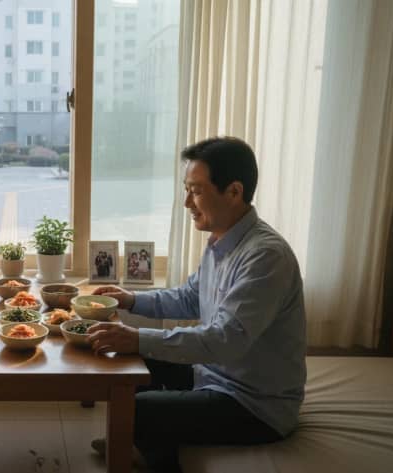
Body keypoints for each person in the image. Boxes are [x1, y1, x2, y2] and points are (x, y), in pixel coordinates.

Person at [87, 137, 306, 472]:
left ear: (234, 191)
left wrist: (137, 336)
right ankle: (141, 441)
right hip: (213, 376)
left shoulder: (265, 256)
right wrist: (130, 299)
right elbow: (190, 297)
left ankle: (148, 449)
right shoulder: (222, 240)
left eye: (196, 190)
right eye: (186, 189)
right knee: (127, 359)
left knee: (139, 409)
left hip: (254, 405)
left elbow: (224, 341)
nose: (187, 201)